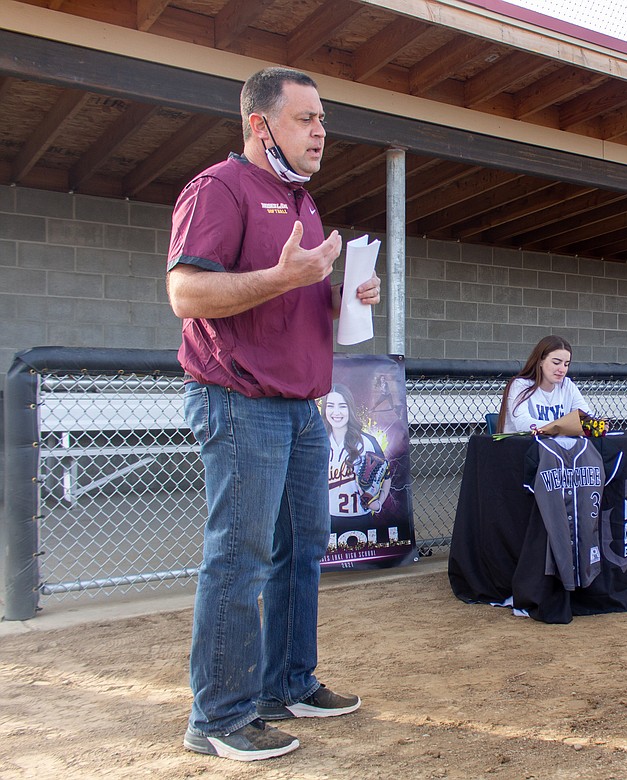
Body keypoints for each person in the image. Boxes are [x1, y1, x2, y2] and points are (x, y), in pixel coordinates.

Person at [167, 67, 379, 761]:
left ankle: (286, 684)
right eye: (305, 118)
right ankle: (218, 718)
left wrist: (345, 295)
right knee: (241, 554)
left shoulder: (304, 203)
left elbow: (289, 303)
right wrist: (284, 277)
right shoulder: (219, 189)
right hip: (239, 401)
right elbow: (188, 293)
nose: (321, 131)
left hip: (301, 407)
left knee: (301, 550)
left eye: (323, 120)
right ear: (261, 126)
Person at [323, 383, 390, 521]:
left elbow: (387, 477)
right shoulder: (317, 442)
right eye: (330, 406)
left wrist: (378, 504)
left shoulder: (367, 441)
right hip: (325, 520)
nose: (336, 412)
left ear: (350, 408)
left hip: (360, 518)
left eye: (342, 406)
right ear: (324, 409)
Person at [499, 336, 593, 434]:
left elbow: (587, 416)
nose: (562, 369)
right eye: (556, 363)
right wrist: (564, 426)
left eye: (566, 364)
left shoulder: (568, 385)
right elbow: (522, 424)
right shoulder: (520, 385)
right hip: (523, 447)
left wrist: (597, 424)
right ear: (540, 361)